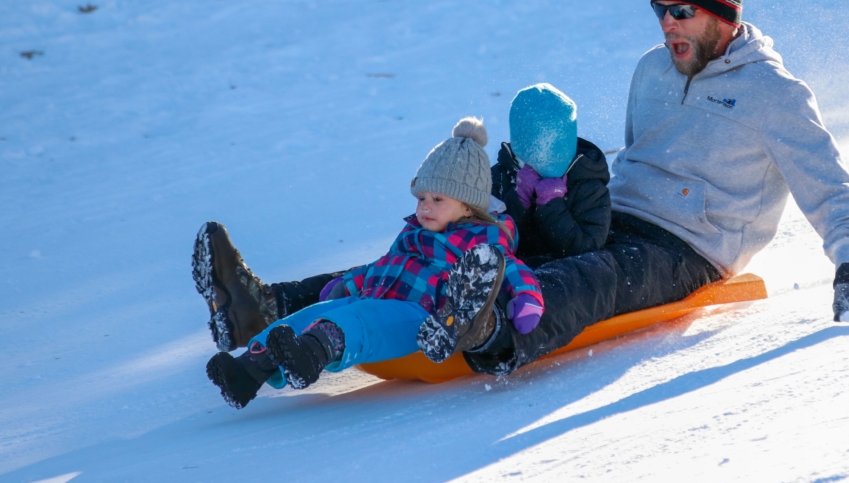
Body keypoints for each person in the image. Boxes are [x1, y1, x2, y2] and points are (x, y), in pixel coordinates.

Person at [423, 0, 849, 375]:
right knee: (500, 228)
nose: (667, 24)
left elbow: (830, 186)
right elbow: (637, 154)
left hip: (689, 247)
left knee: (596, 276)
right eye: (660, 12)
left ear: (722, 17)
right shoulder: (652, 69)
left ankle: (488, 330)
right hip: (613, 216)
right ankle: (399, 285)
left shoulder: (775, 94)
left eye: (681, 12)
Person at [193, 85, 612, 353]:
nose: (530, 153)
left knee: (410, 276)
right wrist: (517, 200)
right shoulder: (505, 168)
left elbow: (581, 247)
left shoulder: (585, 179)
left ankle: (444, 324)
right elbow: (486, 215)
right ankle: (258, 307)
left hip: (498, 272)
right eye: (523, 142)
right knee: (384, 267)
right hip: (467, 252)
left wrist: (553, 204)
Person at [199, 118, 544, 408]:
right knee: (310, 316)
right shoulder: (413, 232)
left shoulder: (483, 240)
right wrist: (350, 283)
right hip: (378, 297)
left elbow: (511, 270)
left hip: (419, 315)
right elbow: (387, 265)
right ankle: (249, 370)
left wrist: (528, 300)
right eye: (422, 197)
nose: (425, 207)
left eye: (438, 199)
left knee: (357, 322)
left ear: (468, 206)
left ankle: (309, 356)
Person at [491, 83, 612, 267]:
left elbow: (587, 251)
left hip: (563, 281)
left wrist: (552, 206)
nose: (541, 158)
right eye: (532, 152)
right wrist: (518, 200)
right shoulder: (501, 177)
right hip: (511, 278)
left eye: (551, 149)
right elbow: (486, 240)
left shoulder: (587, 184)